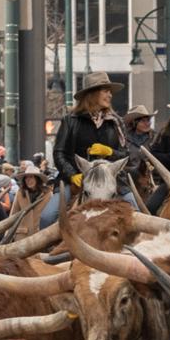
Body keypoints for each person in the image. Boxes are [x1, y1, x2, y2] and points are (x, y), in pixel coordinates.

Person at [46, 71, 130, 228]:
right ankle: (49, 251)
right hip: (75, 181)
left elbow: (126, 155)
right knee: (47, 217)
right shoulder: (70, 120)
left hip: (111, 181)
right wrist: (72, 175)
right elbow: (59, 153)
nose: (110, 95)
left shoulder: (116, 122)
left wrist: (110, 152)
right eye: (105, 91)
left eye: (110, 91)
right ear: (92, 94)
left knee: (136, 210)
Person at [123, 104, 157, 174]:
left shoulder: (154, 138)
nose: (147, 123)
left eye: (148, 120)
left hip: (151, 177)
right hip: (130, 177)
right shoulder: (125, 139)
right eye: (143, 121)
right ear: (134, 123)